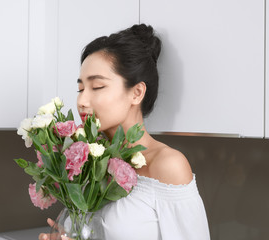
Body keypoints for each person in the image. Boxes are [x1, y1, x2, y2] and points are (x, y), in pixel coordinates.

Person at [39, 24, 210, 240]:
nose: (82, 101)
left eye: (97, 87)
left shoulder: (167, 165)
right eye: (80, 89)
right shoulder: (87, 162)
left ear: (137, 93)